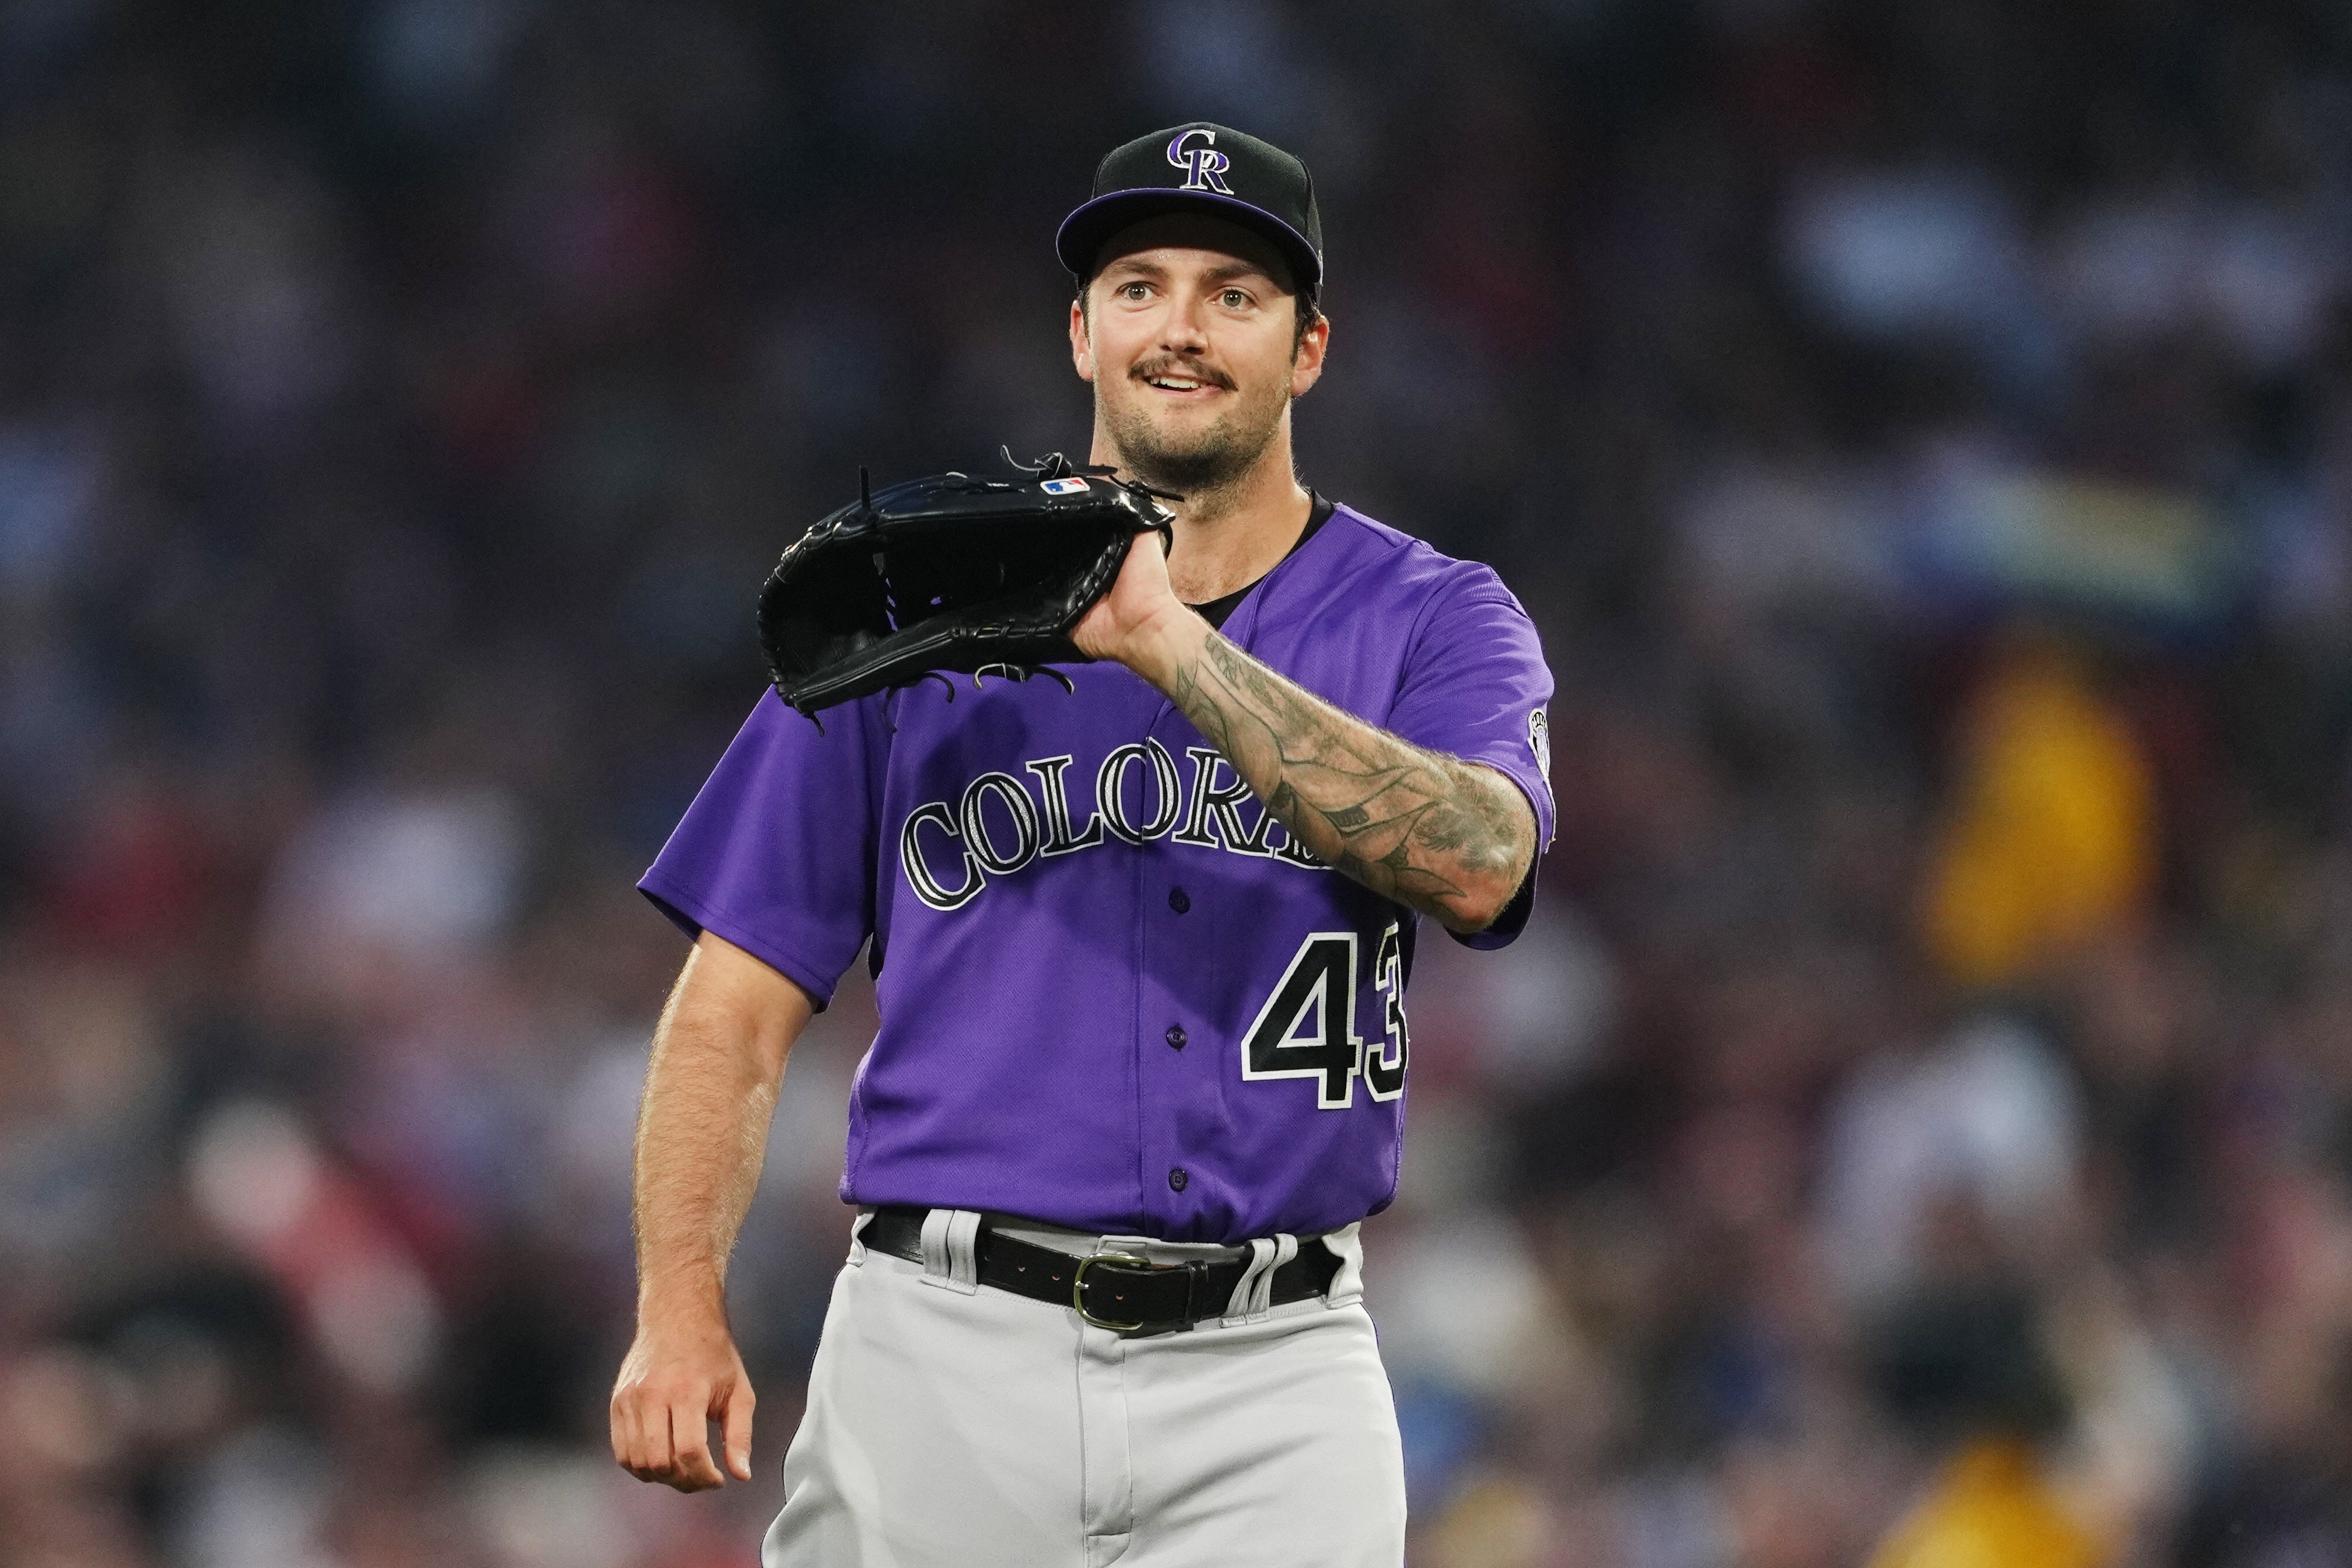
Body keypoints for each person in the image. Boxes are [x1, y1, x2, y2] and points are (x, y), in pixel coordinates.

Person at [608, 121, 1556, 1566]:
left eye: (1233, 294)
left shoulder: (1435, 618)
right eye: (1140, 287)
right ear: (1081, 332)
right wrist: (677, 1307)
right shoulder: (917, 613)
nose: (1180, 327)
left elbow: (1483, 861)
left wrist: (1167, 644)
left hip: (1276, 1373)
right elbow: (729, 1014)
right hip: (943, 1352)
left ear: (1308, 348)